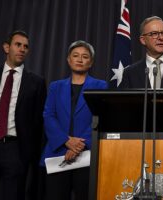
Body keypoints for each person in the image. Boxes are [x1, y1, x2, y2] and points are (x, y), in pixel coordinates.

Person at [0, 30, 46, 200]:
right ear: (6, 47)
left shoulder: (36, 82)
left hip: (16, 150)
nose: (22, 49)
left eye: (26, 47)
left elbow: (38, 121)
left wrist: (30, 153)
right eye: (18, 44)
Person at [40, 40, 107, 200]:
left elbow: (100, 117)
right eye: (75, 55)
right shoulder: (55, 86)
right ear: (68, 60)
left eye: (85, 56)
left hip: (86, 155)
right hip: (57, 153)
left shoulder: (101, 86)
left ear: (90, 62)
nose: (80, 59)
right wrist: (65, 140)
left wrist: (77, 146)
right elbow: (48, 116)